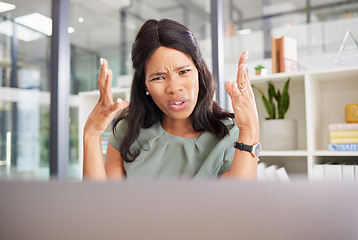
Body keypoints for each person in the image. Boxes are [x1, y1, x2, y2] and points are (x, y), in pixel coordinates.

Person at [83, 19, 260, 180]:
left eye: (183, 72)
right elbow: (103, 208)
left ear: (199, 71)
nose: (174, 88)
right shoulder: (127, 131)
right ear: (144, 85)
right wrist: (91, 134)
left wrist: (250, 129)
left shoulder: (230, 134)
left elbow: (237, 206)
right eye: (158, 78)